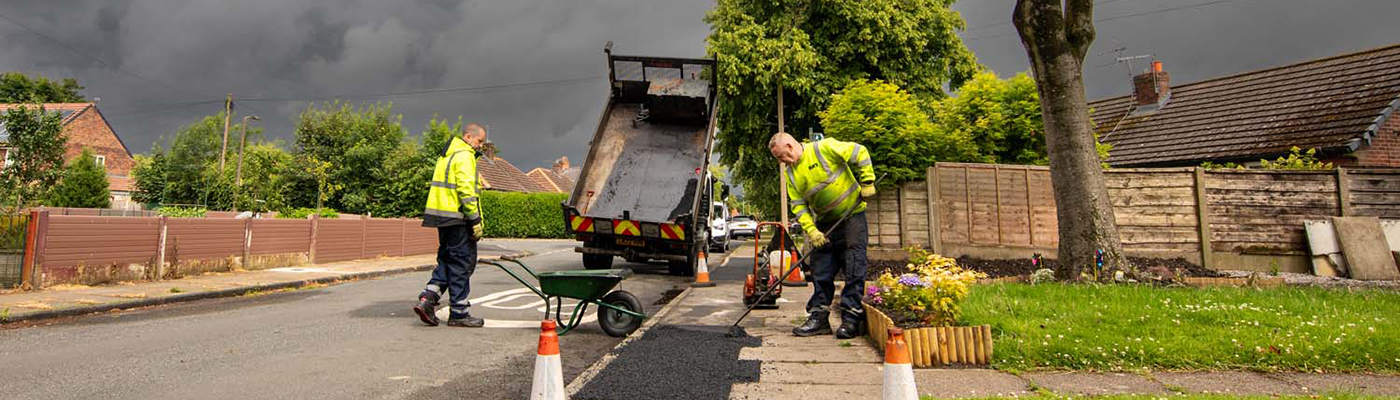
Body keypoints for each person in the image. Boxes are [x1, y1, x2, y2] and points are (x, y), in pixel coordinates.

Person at [768, 132, 875, 338]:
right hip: (825, 224)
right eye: (778, 159)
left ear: (790, 146)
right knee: (821, 269)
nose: (782, 162)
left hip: (852, 217)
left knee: (854, 267)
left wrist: (868, 180)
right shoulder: (790, 174)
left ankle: (851, 319)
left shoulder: (823, 148)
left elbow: (859, 152)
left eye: (782, 157)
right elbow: (799, 206)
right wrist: (812, 230)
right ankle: (819, 317)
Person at [413, 123, 488, 327]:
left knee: (447, 260)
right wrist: (474, 219)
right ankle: (459, 314)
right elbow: (465, 190)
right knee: (462, 264)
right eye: (479, 141)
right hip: (458, 218)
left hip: (442, 218)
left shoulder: (447, 155)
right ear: (468, 137)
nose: (481, 145)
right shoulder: (464, 156)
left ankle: (427, 298)